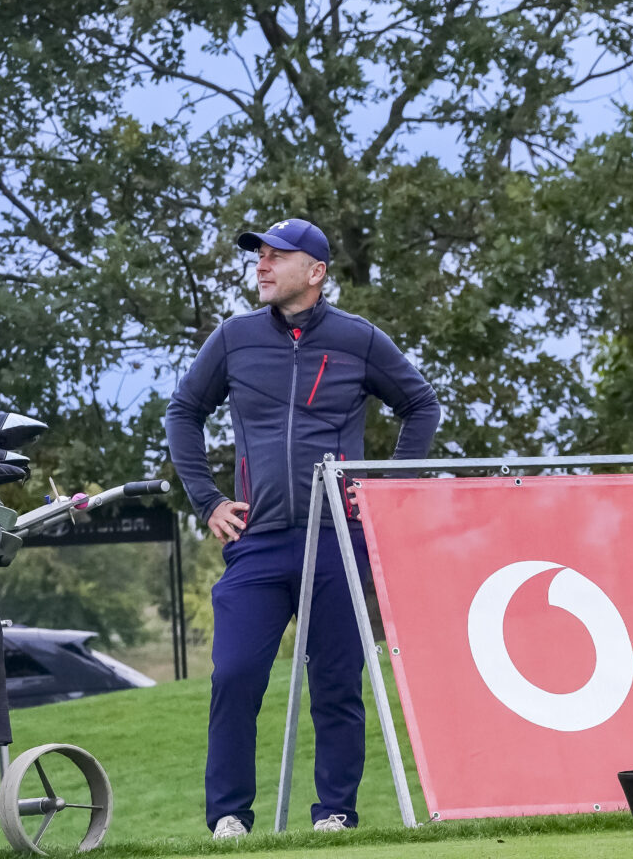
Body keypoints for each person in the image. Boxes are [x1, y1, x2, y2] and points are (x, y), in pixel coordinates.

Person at [165, 219, 441, 839]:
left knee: (336, 683)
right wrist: (208, 501)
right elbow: (183, 412)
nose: (261, 266)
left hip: (338, 541)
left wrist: (386, 491)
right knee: (234, 675)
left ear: (315, 272)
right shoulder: (233, 339)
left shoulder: (357, 339)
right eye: (258, 256)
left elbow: (420, 404)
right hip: (257, 543)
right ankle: (229, 817)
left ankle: (335, 814)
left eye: (276, 256)